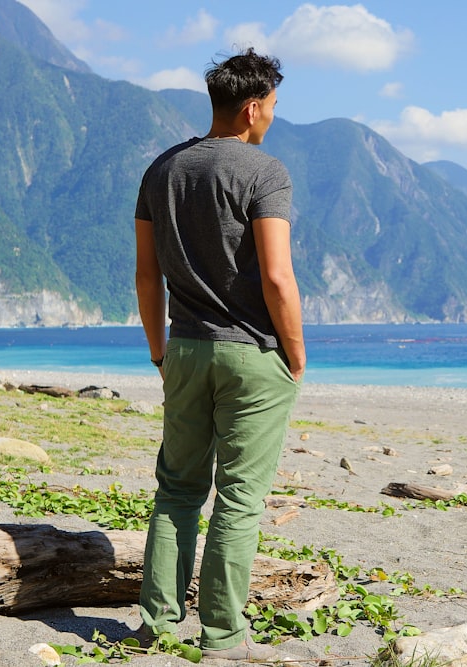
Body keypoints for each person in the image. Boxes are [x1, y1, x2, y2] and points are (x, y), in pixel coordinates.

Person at [132, 48, 305, 661]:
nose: (273, 119)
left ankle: (156, 625)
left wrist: (159, 349)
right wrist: (297, 354)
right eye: (275, 108)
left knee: (177, 489)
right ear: (253, 108)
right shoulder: (265, 173)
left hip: (184, 348)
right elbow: (277, 279)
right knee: (238, 499)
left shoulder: (162, 170)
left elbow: (147, 278)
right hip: (253, 355)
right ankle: (224, 636)